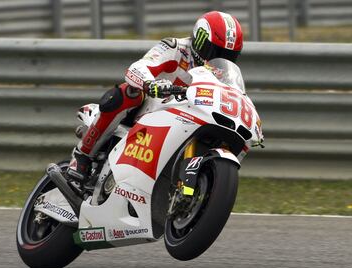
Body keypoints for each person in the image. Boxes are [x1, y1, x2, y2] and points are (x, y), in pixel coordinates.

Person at [66, 11, 244, 184]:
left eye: (228, 56)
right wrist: (151, 84)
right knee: (128, 92)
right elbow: (137, 68)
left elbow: (235, 97)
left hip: (190, 117)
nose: (221, 59)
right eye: (216, 52)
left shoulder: (227, 76)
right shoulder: (175, 48)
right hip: (152, 108)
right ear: (199, 40)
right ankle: (82, 156)